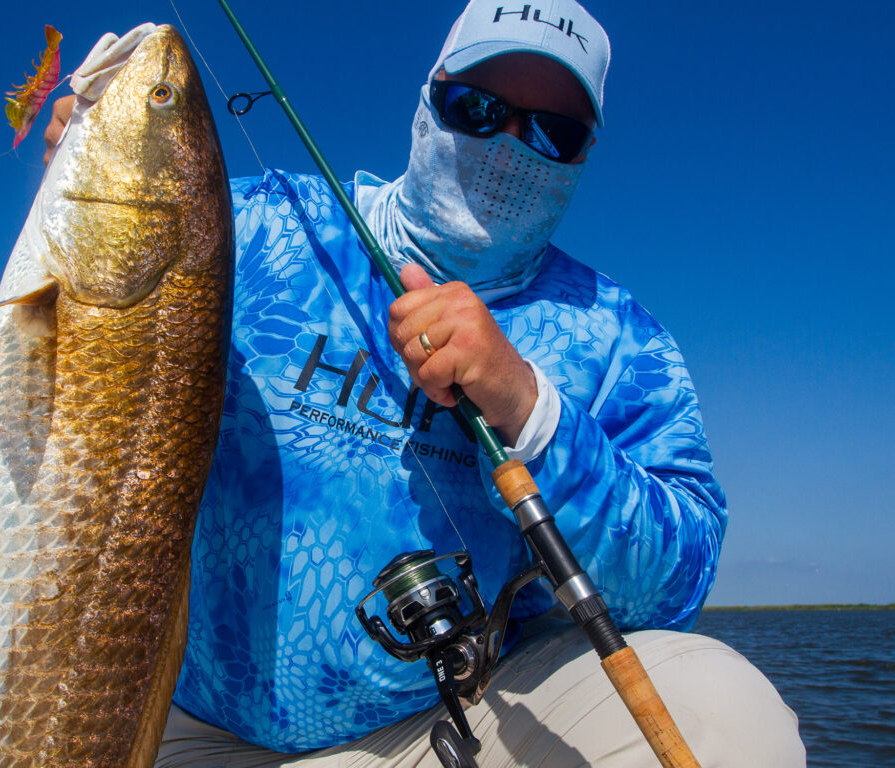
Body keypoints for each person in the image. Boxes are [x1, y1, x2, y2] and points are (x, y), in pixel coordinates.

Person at [41, 1, 804, 765]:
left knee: (725, 715)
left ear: (585, 152)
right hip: (164, 706)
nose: (511, 146)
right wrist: (88, 181)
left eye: (554, 131)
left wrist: (529, 405)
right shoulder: (254, 225)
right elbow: (83, 336)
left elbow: (675, 591)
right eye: (478, 107)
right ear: (428, 100)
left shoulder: (620, 338)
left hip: (449, 723)